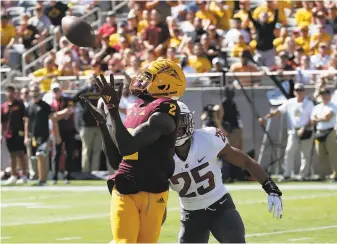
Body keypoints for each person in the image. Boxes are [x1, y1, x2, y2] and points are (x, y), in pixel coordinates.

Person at [79, 59, 186, 243]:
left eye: (148, 78)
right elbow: (117, 160)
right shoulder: (136, 108)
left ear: (165, 84)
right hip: (124, 188)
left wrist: (113, 110)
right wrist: (103, 125)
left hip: (153, 192)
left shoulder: (166, 110)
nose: (141, 80)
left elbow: (128, 147)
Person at [170, 101, 283, 243]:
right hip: (190, 216)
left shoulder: (207, 138)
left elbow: (245, 161)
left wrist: (270, 186)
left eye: (181, 120)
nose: (178, 126)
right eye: (172, 122)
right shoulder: (158, 156)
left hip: (221, 209)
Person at [259, 83, 315, 181]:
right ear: (294, 92)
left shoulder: (309, 103)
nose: (299, 92)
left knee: (305, 154)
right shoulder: (290, 102)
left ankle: (303, 175)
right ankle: (287, 173)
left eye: (301, 90)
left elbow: (312, 119)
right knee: (289, 151)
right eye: (297, 90)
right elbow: (278, 111)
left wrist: (304, 128)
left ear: (304, 91)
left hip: (307, 131)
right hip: (294, 131)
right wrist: (266, 118)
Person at [26, 85, 61, 186]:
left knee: (40, 155)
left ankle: (42, 179)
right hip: (33, 136)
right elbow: (26, 122)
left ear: (39, 91)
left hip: (44, 135)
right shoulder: (29, 106)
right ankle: (37, 177)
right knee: (33, 158)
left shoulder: (45, 106)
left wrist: (57, 135)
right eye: (32, 90)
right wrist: (26, 136)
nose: (34, 92)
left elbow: (53, 120)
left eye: (36, 90)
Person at [1, 86, 28, 185]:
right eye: (8, 92)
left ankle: (24, 175)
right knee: (12, 155)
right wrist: (1, 134)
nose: (10, 94)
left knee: (21, 154)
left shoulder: (20, 105)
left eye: (12, 92)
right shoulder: (3, 106)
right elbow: (2, 122)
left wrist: (25, 134)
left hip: (19, 133)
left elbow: (25, 120)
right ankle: (13, 175)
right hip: (9, 134)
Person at [50, 83, 75, 184]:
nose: (57, 93)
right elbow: (52, 117)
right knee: (56, 155)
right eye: (55, 91)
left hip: (69, 130)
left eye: (58, 90)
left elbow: (69, 111)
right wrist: (63, 113)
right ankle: (54, 176)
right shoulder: (52, 103)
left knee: (69, 153)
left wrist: (58, 115)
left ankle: (67, 176)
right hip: (57, 131)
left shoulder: (67, 99)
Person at [311, 89, 337, 181]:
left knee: (333, 154)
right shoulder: (317, 107)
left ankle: (335, 174)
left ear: (329, 96)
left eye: (325, 94)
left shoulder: (333, 106)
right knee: (320, 154)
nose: (324, 97)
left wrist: (318, 119)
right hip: (319, 132)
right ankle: (324, 174)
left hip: (330, 131)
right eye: (322, 95)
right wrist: (319, 119)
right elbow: (313, 119)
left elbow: (328, 117)